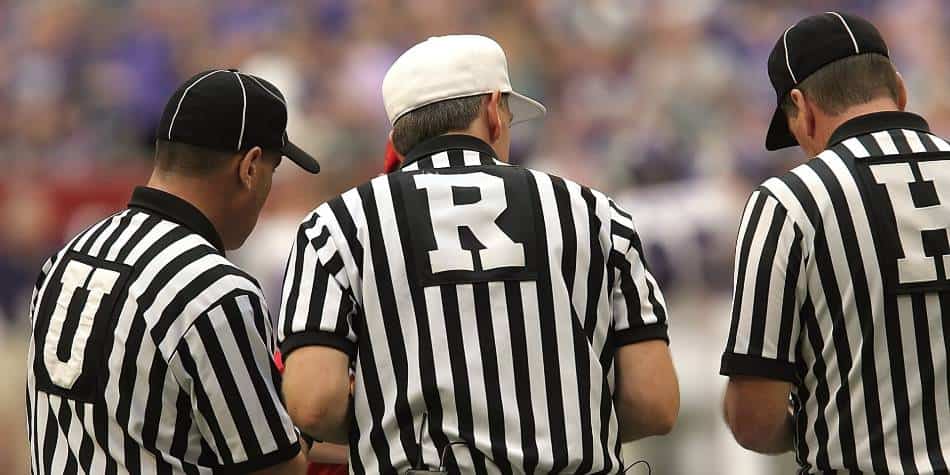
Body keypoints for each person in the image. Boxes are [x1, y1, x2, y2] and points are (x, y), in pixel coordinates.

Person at [277, 35, 679, 473]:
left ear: (398, 134)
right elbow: (654, 402)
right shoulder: (597, 214)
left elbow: (312, 403)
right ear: (492, 110)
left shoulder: (337, 223)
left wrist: (388, 421)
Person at [26, 68, 320, 474]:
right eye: (272, 171)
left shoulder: (67, 256)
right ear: (250, 167)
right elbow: (274, 468)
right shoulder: (215, 289)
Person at [720, 12, 950, 474]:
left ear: (802, 110)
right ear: (899, 90)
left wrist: (815, 419)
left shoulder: (788, 202)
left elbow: (753, 418)